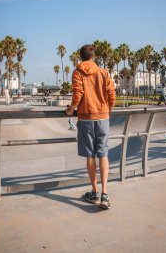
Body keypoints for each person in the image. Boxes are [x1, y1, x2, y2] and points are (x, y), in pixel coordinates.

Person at [66, 44, 115, 210]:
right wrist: (107, 110)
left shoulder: (77, 72)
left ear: (81, 57)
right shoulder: (103, 72)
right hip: (103, 118)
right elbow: (111, 94)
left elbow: (77, 94)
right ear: (93, 56)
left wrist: (71, 109)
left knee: (90, 156)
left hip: (86, 119)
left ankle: (94, 192)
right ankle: (105, 194)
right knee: (103, 154)